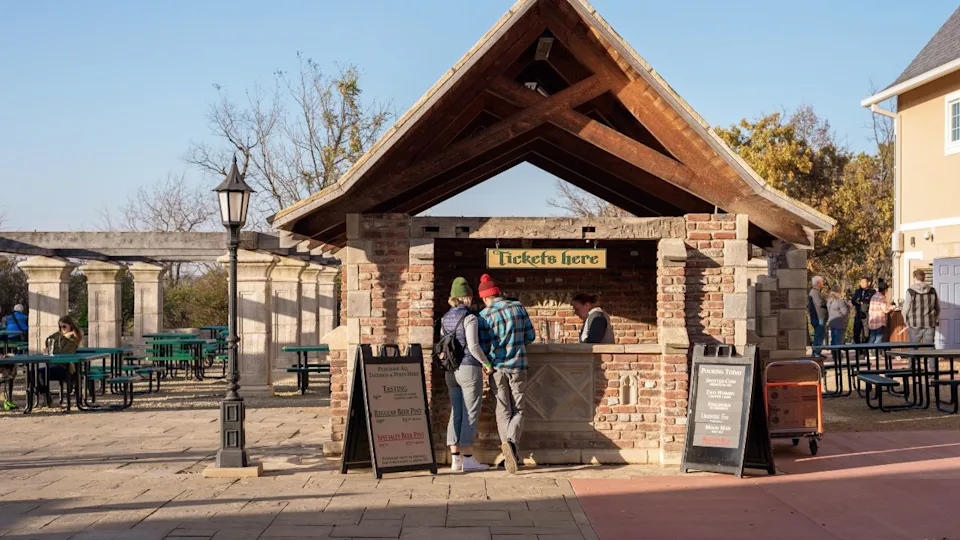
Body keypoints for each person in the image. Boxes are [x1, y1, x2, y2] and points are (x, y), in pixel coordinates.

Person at [477, 273, 535, 475]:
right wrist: (517, 345)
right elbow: (531, 336)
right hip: (518, 365)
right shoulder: (518, 307)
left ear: (485, 297)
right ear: (498, 293)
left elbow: (483, 346)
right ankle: (512, 445)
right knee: (519, 409)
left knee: (503, 411)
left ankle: (507, 451)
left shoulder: (484, 316)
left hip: (496, 368)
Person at [441, 277, 493, 473]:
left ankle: (456, 459)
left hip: (450, 371)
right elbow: (473, 345)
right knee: (470, 412)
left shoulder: (445, 318)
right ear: (466, 298)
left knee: (456, 411)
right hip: (469, 368)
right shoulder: (470, 318)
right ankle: (469, 458)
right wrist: (486, 363)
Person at [38, 316, 83, 407]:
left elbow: (66, 352)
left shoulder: (74, 337)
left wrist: (51, 350)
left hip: (66, 367)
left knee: (40, 373)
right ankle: (46, 396)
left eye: (64, 326)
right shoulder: (59, 334)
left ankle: (47, 398)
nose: (62, 329)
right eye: (60, 327)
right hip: (54, 364)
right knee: (33, 373)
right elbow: (49, 339)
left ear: (70, 325)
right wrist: (50, 347)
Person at [902, 269, 940, 345]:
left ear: (915, 278)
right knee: (930, 349)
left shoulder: (910, 291)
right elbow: (937, 307)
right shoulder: (932, 290)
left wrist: (906, 321)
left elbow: (905, 309)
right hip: (929, 323)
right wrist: (935, 318)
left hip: (914, 323)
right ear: (924, 278)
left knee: (913, 348)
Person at [851, 277, 875, 344]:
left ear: (868, 283)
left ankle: (865, 350)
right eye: (861, 282)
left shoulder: (872, 292)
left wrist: (861, 301)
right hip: (858, 314)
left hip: (867, 314)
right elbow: (853, 301)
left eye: (864, 282)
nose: (862, 284)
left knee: (866, 334)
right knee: (856, 333)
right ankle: (859, 350)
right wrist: (859, 302)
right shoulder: (857, 291)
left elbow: (869, 301)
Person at [808, 276, 827, 355]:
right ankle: (816, 353)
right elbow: (819, 303)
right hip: (819, 317)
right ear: (818, 283)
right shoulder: (814, 292)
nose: (823, 284)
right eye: (822, 282)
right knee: (819, 336)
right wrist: (826, 302)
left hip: (819, 317)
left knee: (820, 335)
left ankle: (817, 352)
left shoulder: (815, 292)